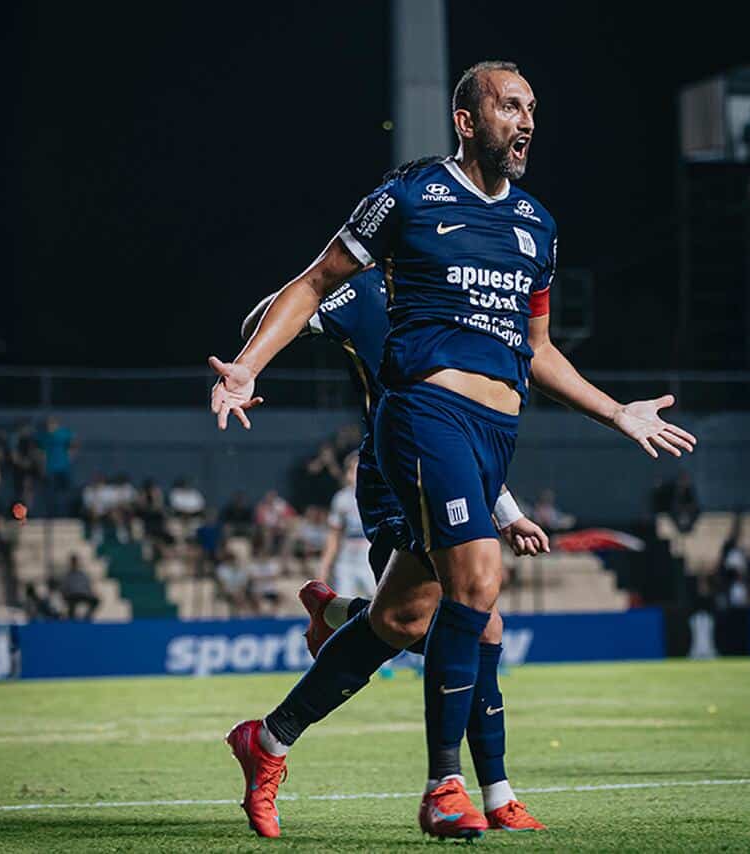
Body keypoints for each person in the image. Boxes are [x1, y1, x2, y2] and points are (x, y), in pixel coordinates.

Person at [210, 61, 695, 839]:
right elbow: (308, 284)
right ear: (468, 121)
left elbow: (536, 348)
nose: (526, 120)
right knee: (479, 586)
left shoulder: (538, 225)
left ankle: (267, 739)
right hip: (418, 418)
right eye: (509, 106)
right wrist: (247, 366)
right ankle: (451, 788)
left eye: (532, 107)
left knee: (407, 620)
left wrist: (616, 412)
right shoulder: (408, 198)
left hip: (493, 436)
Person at [227, 266, 546, 836]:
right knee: (457, 623)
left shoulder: (465, 294)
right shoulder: (362, 288)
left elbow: (463, 415)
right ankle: (477, 793)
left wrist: (505, 507)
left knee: (425, 622)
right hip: (399, 465)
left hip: (451, 462)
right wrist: (249, 364)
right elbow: (264, 318)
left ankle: (278, 726)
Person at [316, 453, 376, 599]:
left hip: (370, 559)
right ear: (348, 474)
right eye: (354, 471)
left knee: (378, 601)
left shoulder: (377, 495)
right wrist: (324, 567)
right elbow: (334, 535)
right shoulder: (341, 499)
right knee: (344, 604)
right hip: (347, 561)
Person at [61, 554, 100, 620]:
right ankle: (72, 619)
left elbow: (88, 586)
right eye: (73, 562)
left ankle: (87, 617)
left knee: (95, 601)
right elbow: (64, 588)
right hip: (72, 596)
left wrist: (92, 593)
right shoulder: (67, 575)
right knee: (71, 604)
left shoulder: (83, 574)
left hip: (83, 595)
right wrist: (65, 594)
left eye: (76, 562)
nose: (75, 564)